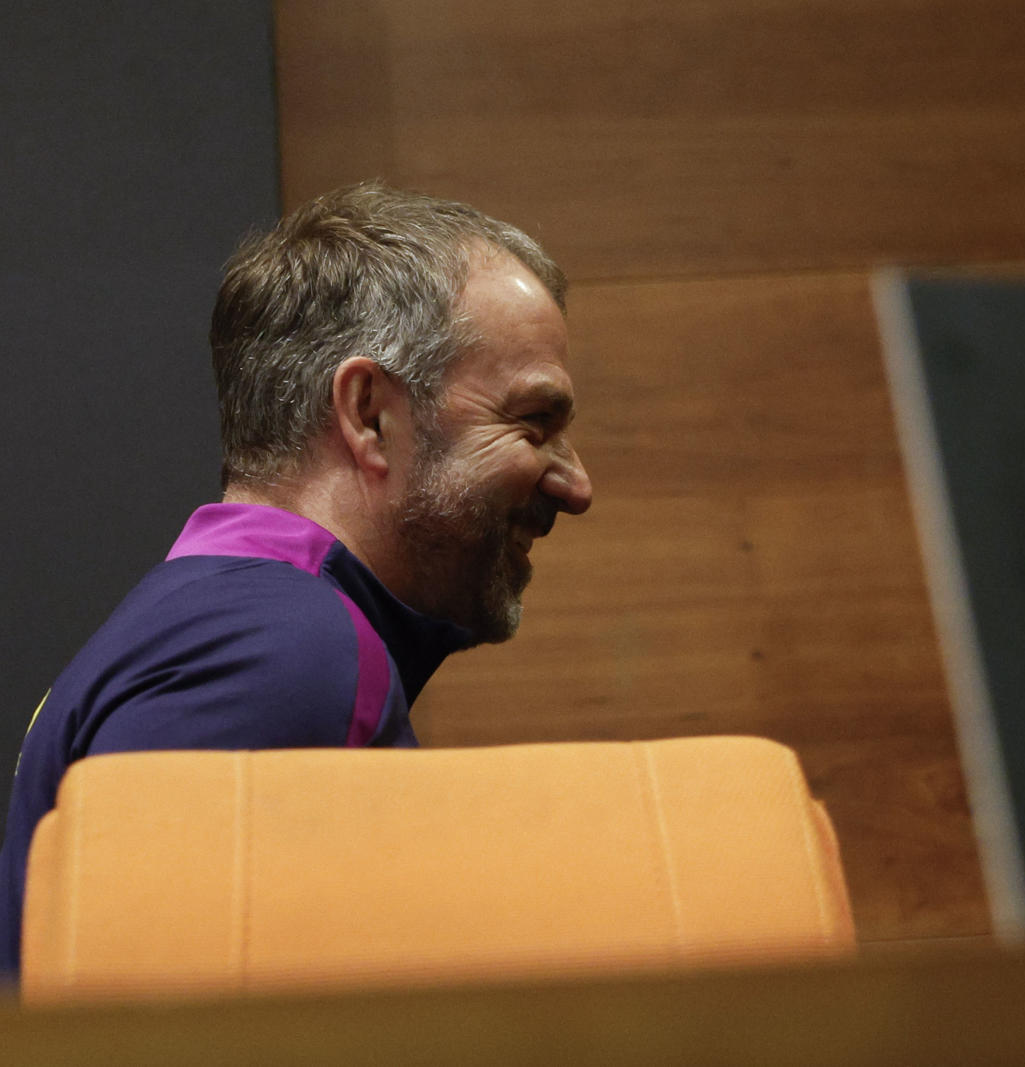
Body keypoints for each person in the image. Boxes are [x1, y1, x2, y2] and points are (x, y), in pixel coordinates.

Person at [0, 182, 593, 978]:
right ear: (370, 414)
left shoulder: (223, 619)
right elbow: (147, 1027)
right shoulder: (281, 654)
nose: (576, 485)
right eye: (533, 423)